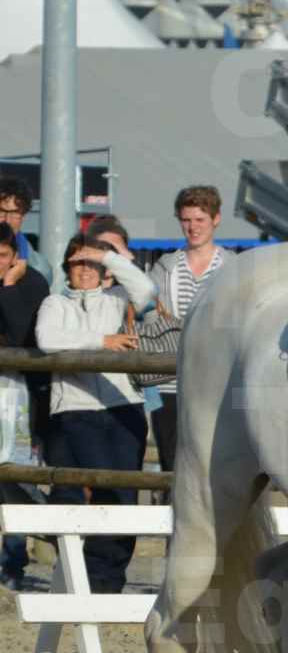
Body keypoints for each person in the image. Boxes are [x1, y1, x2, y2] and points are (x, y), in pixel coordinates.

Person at [35, 236, 157, 593]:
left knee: (127, 494)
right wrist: (103, 341)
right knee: (105, 492)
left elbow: (147, 290)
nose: (85, 270)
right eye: (77, 263)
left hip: (125, 406)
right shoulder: (54, 302)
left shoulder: (118, 299)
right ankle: (93, 578)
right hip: (78, 409)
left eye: (92, 263)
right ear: (66, 269)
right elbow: (47, 338)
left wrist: (108, 256)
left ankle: (110, 580)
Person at [146, 186, 230, 473]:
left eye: (199, 220)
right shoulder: (165, 266)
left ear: (216, 219)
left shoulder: (233, 267)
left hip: (217, 381)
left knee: (213, 463)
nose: (192, 227)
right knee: (172, 463)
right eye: (186, 220)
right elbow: (150, 317)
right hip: (169, 380)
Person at [0, 222, 50, 590]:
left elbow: (20, 333)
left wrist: (8, 288)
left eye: (2, 256)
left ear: (14, 256)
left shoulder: (32, 283)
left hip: (16, 392)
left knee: (14, 476)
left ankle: (15, 560)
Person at [0, 176, 53, 286]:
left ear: (23, 215)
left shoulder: (40, 269)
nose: (7, 220)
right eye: (1, 211)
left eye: (15, 213)